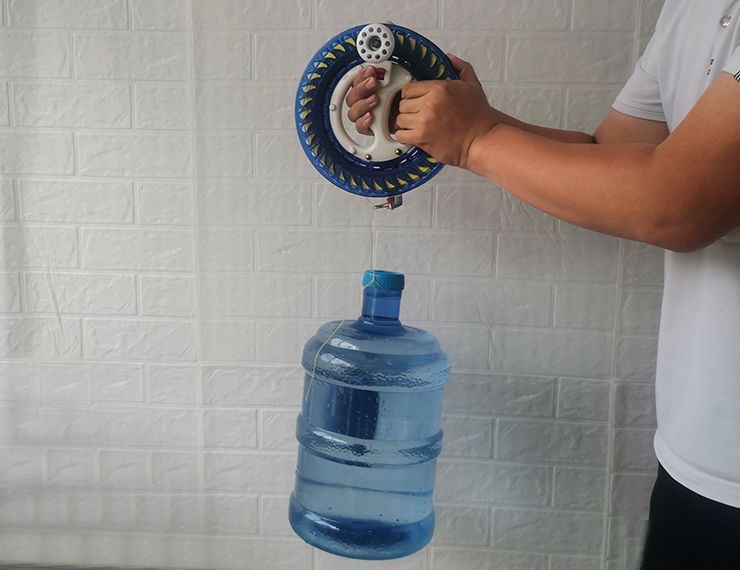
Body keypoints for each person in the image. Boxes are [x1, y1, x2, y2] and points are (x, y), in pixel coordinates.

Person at [347, 2, 740, 569]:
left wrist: (475, 138)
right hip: (694, 453)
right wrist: (463, 122)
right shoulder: (692, 7)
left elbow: (676, 204)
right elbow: (612, 158)